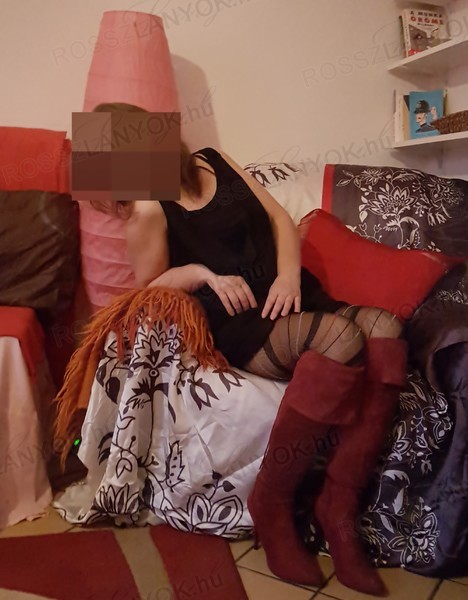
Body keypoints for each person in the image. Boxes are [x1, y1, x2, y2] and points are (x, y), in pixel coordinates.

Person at [89, 102, 407, 597]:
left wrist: (287, 275)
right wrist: (202, 274)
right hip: (236, 320)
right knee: (344, 339)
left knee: (386, 328)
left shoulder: (214, 160)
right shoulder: (148, 209)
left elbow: (279, 218)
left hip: (288, 293)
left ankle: (337, 507)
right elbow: (149, 289)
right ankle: (272, 505)